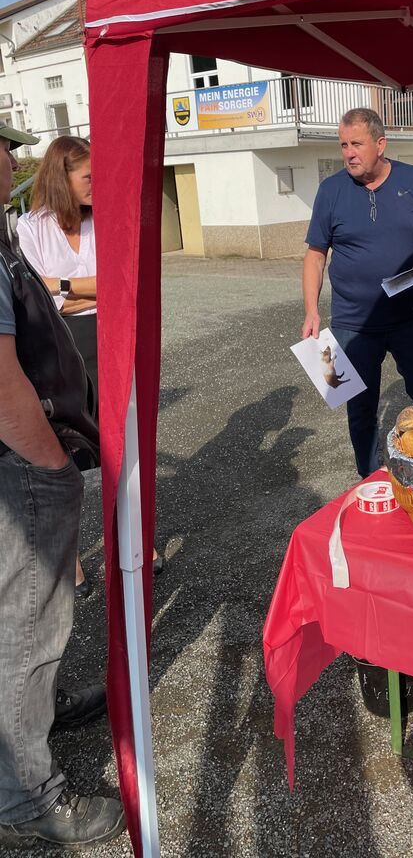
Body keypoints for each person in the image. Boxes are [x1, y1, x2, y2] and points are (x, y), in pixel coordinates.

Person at [0, 124, 125, 848]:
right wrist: (52, 464)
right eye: (2, 150)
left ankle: (32, 724)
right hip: (20, 465)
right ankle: (26, 798)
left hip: (22, 459)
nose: (13, 160)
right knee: (27, 626)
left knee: (22, 620)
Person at [18, 136, 162, 598]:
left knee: (124, 446)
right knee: (68, 451)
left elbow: (123, 285)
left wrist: (61, 286)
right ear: (61, 177)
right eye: (88, 178)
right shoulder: (30, 227)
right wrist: (78, 289)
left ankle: (136, 539)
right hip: (58, 346)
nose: (97, 187)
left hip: (114, 338)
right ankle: (73, 558)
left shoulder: (108, 220)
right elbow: (38, 300)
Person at [302, 107, 413, 477]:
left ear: (380, 144)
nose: (348, 152)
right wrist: (311, 311)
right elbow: (315, 255)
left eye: (356, 144)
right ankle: (370, 479)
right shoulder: (330, 190)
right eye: (343, 145)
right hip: (352, 324)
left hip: (410, 317)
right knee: (359, 409)